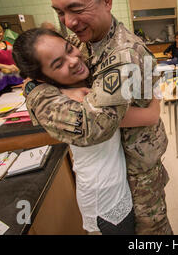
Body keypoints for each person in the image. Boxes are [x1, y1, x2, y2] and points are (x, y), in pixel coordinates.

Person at [23, 0, 172, 235]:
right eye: (60, 12)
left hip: (136, 168)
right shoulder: (83, 40)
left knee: (151, 231)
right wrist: (44, 89)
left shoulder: (123, 55)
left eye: (76, 9)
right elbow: (45, 76)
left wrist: (38, 92)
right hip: (113, 166)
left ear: (106, 0)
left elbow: (93, 127)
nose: (68, 22)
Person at [13, 28, 162, 234]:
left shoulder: (79, 86)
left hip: (113, 189)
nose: (72, 60)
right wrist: (154, 82)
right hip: (106, 198)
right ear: (43, 78)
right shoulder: (86, 105)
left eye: (69, 49)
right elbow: (151, 115)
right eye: (59, 64)